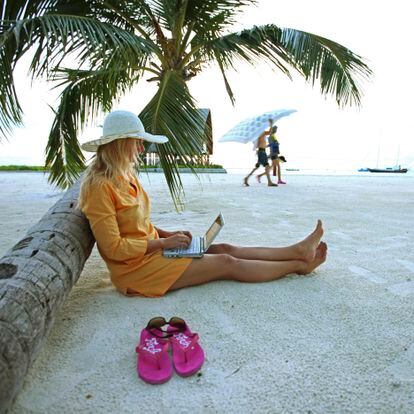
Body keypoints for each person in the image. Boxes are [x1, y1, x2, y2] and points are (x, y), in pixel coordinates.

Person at [79, 110, 327, 298]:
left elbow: (137, 225)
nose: (142, 148)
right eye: (138, 142)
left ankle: (295, 251)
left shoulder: (125, 176)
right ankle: (298, 266)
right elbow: (114, 248)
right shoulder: (99, 187)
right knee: (227, 263)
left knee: (222, 247)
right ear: (122, 143)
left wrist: (169, 235)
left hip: (151, 251)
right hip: (135, 271)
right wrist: (163, 243)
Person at [243, 120, 277, 187]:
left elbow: (270, 133)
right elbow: (270, 132)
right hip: (261, 152)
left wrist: (271, 125)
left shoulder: (260, 132)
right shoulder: (261, 132)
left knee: (257, 167)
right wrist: (271, 124)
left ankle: (246, 178)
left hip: (261, 151)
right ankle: (269, 182)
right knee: (267, 166)